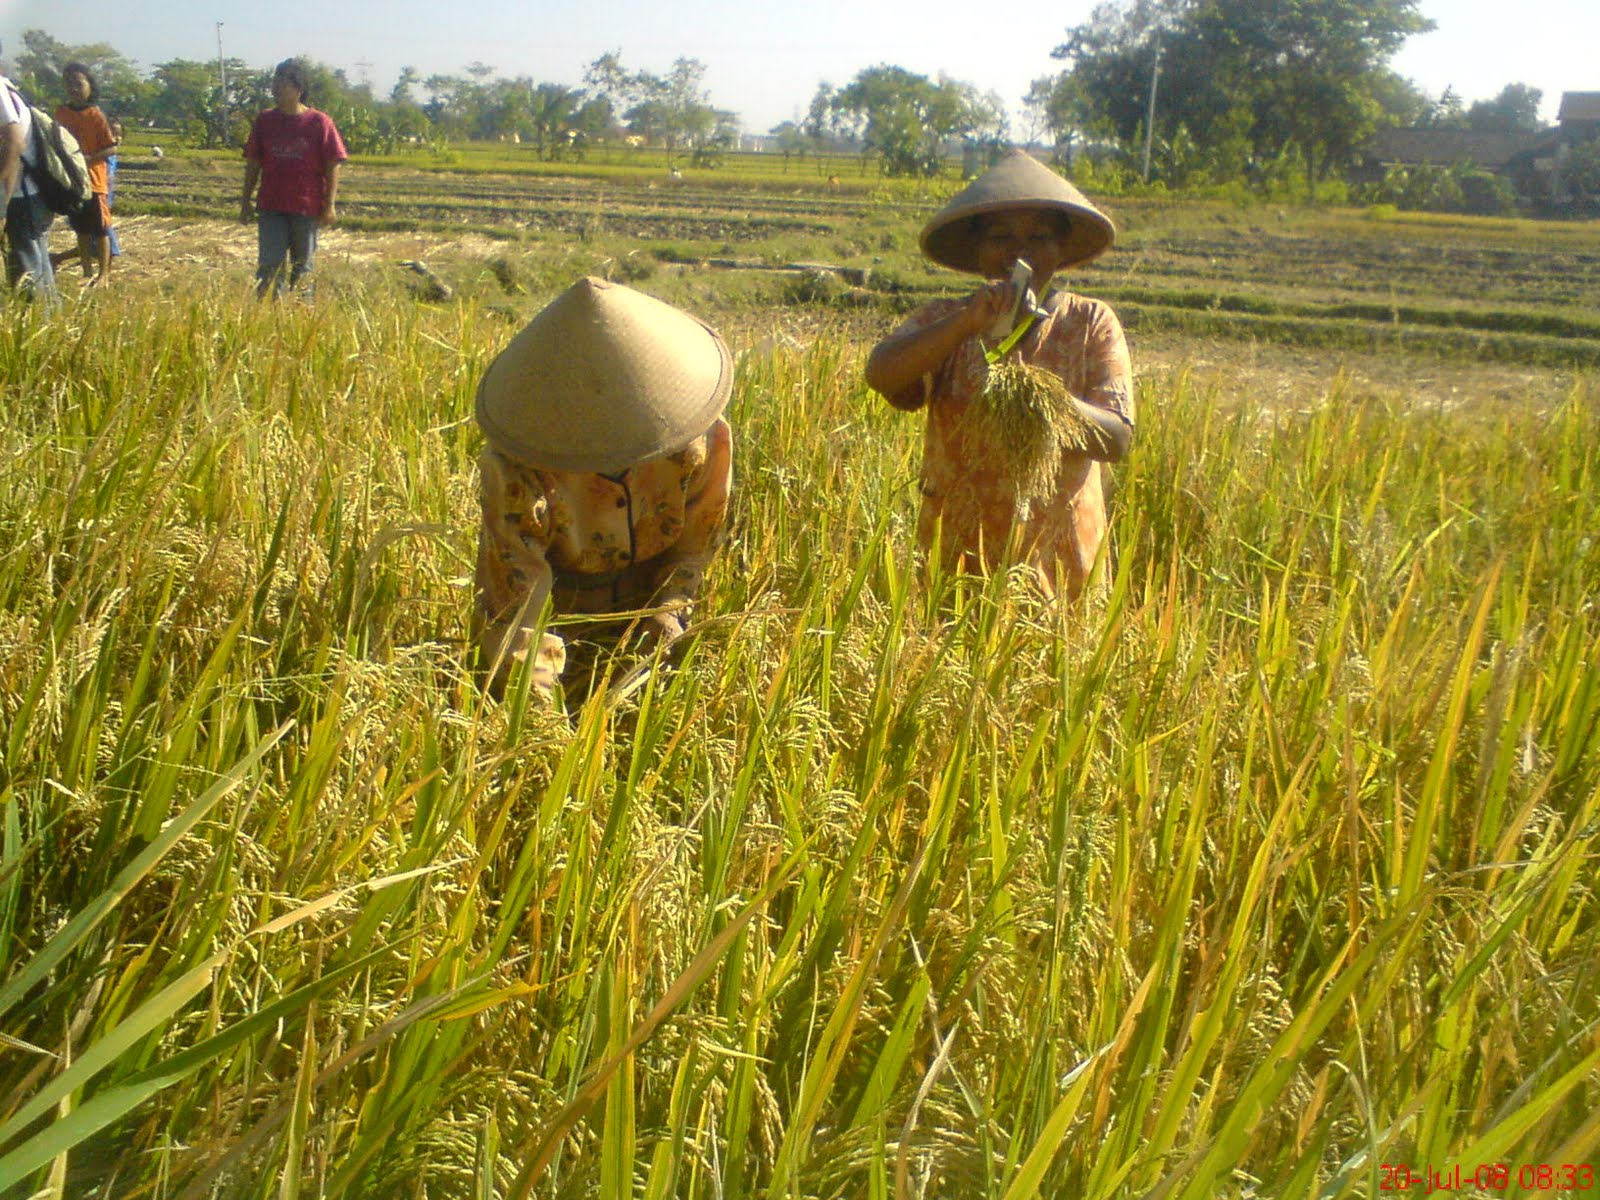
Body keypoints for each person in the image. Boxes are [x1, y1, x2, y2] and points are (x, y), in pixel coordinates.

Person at [864, 149, 1133, 600]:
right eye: (1000, 236)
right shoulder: (946, 320)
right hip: (957, 554)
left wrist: (1032, 390)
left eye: (1038, 236)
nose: (1018, 251)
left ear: (1061, 249)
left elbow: (1116, 438)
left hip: (1060, 559)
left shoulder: (1089, 323)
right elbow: (884, 376)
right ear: (977, 249)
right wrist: (967, 325)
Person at [474, 276, 734, 701]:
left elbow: (697, 539)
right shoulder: (518, 472)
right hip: (556, 619)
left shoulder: (700, 439)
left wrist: (671, 608)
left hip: (649, 613)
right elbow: (517, 612)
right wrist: (543, 726)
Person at [240, 58, 347, 298]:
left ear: (299, 89)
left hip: (305, 207)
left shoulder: (319, 122)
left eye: (283, 83)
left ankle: (301, 318)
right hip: (270, 206)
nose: (276, 88)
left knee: (303, 268)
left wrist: (329, 206)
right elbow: (253, 163)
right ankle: (268, 316)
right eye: (275, 82)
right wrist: (245, 202)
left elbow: (333, 164)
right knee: (270, 265)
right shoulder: (265, 121)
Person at [51, 62, 119, 285]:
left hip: (95, 180)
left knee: (101, 229)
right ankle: (87, 273)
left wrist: (89, 158)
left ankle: (104, 275)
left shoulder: (95, 115)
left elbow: (111, 146)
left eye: (79, 83)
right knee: (80, 229)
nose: (74, 88)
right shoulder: (61, 113)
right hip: (73, 180)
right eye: (69, 83)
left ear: (90, 85)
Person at [0, 44, 56, 301]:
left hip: (22, 195)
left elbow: (14, 141)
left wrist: (2, 196)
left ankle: (34, 329)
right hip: (30, 192)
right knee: (37, 265)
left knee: (27, 269)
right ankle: (51, 329)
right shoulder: (10, 88)